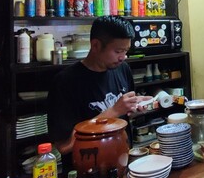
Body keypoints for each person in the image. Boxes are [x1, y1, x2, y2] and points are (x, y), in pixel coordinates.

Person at [48, 16, 152, 157]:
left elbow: (125, 116)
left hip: (123, 158)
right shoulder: (65, 82)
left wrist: (134, 108)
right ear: (96, 45)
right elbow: (64, 146)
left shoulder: (123, 69)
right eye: (118, 51)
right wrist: (114, 110)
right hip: (87, 165)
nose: (123, 57)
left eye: (125, 51)